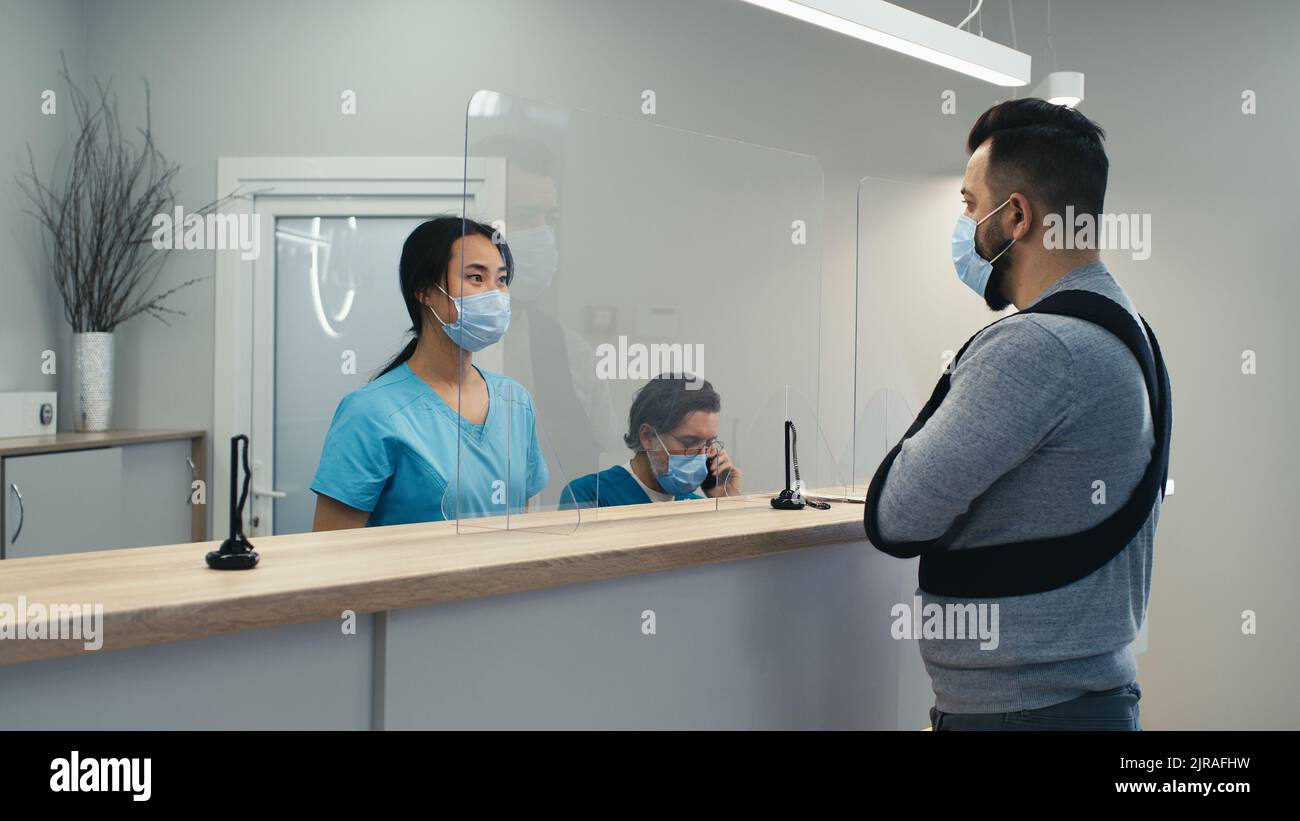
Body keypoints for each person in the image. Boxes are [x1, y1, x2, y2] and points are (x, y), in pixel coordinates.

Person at [864, 100, 1171, 731]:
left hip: (1022, 710)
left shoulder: (1036, 345)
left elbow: (895, 517)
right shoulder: (1132, 334)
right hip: (1074, 700)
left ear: (1018, 216)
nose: (965, 226)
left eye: (971, 206)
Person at [311, 216, 548, 530]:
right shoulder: (370, 413)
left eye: (501, 280)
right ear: (424, 291)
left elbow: (521, 523)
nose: (495, 294)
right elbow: (332, 551)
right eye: (476, 277)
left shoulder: (515, 401)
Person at [561, 374, 741, 508]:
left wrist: (726, 501)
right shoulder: (588, 495)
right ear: (647, 437)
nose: (701, 456)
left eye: (708, 444)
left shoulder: (696, 505)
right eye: (688, 442)